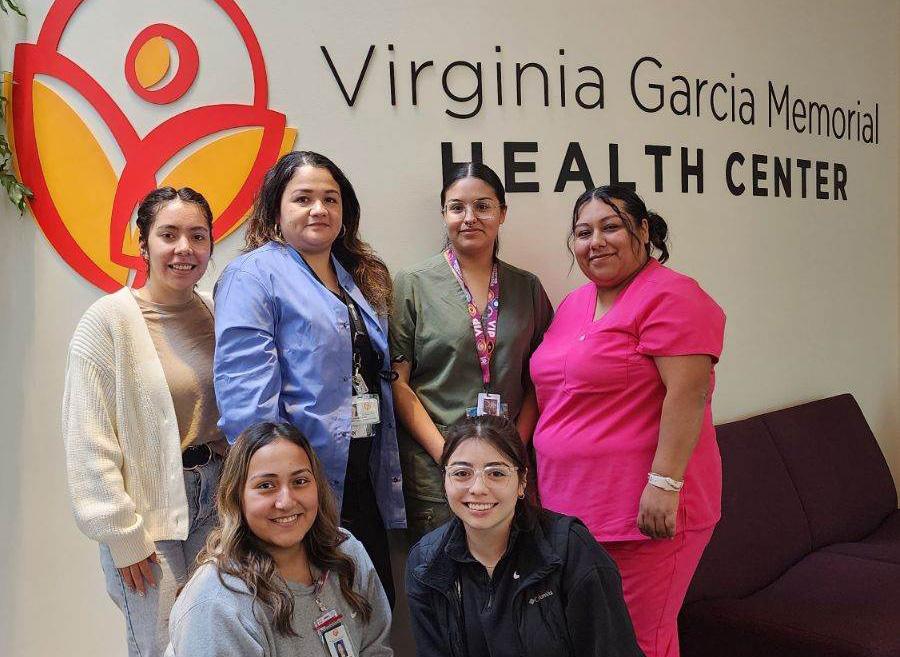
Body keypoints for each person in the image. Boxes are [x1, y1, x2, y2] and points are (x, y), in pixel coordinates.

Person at [530, 184, 726, 657]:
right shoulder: (575, 304)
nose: (595, 241)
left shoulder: (673, 296)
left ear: (642, 230)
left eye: (610, 226)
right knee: (594, 637)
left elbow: (688, 393)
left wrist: (665, 483)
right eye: (582, 232)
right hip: (571, 510)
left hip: (643, 512)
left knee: (637, 641)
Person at [213, 151, 404, 604]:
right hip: (298, 490)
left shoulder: (354, 277)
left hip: (359, 475)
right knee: (308, 616)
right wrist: (279, 490)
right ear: (276, 210)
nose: (319, 209)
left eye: (330, 199)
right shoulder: (252, 275)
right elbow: (247, 404)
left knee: (369, 608)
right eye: (303, 198)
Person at [63, 187, 225, 657]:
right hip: (149, 515)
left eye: (197, 236)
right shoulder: (107, 322)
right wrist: (122, 535)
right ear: (144, 243)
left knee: (217, 638)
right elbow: (87, 443)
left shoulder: (219, 311)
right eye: (168, 234)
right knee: (163, 646)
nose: (184, 249)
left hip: (219, 500)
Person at [390, 162, 553, 543]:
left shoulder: (527, 287)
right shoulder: (412, 284)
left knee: (508, 579)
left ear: (502, 213)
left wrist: (515, 450)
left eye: (483, 206)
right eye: (456, 207)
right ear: (444, 214)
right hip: (438, 470)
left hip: (507, 470)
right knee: (442, 582)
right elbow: (399, 383)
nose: (469, 218)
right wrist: (449, 456)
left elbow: (538, 380)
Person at [405, 415, 643, 657]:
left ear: (521, 482)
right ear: (444, 480)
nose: (477, 488)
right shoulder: (426, 563)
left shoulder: (570, 549)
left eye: (496, 473)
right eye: (461, 473)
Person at [166, 422, 392, 656]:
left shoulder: (347, 552)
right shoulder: (217, 605)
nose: (286, 502)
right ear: (237, 496)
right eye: (266, 486)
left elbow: (376, 648)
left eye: (300, 481)